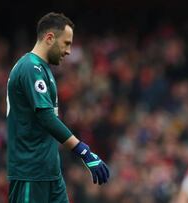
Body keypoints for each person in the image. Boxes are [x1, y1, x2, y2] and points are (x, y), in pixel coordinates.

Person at [6, 12, 110, 203]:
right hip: (31, 172)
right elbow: (46, 118)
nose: (69, 51)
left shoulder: (44, 70)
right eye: (66, 43)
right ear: (49, 38)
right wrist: (84, 151)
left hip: (50, 172)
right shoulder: (30, 68)